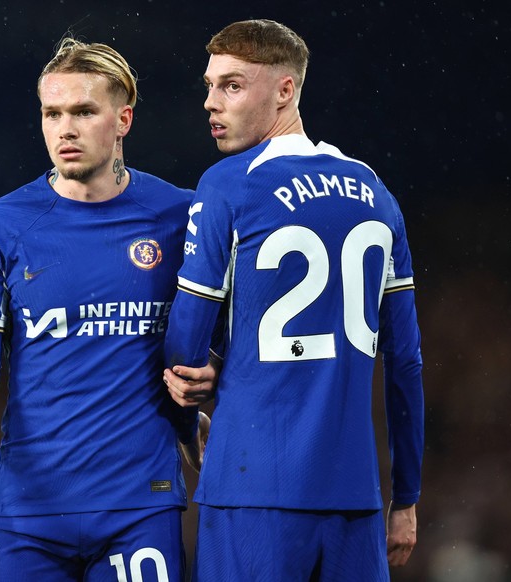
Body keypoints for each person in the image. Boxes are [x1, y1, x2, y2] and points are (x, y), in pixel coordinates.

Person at [0, 37, 215, 581]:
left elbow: (220, 337)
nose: (64, 128)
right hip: (28, 516)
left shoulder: (182, 214)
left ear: (124, 120)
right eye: (52, 113)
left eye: (83, 111)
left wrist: (209, 388)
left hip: (139, 508)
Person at [163, 19, 425, 581]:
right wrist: (406, 495)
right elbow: (404, 360)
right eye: (208, 86)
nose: (211, 103)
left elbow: (183, 347)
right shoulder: (377, 194)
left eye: (232, 86)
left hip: (250, 486)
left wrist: (206, 370)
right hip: (354, 498)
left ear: (285, 90)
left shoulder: (229, 184)